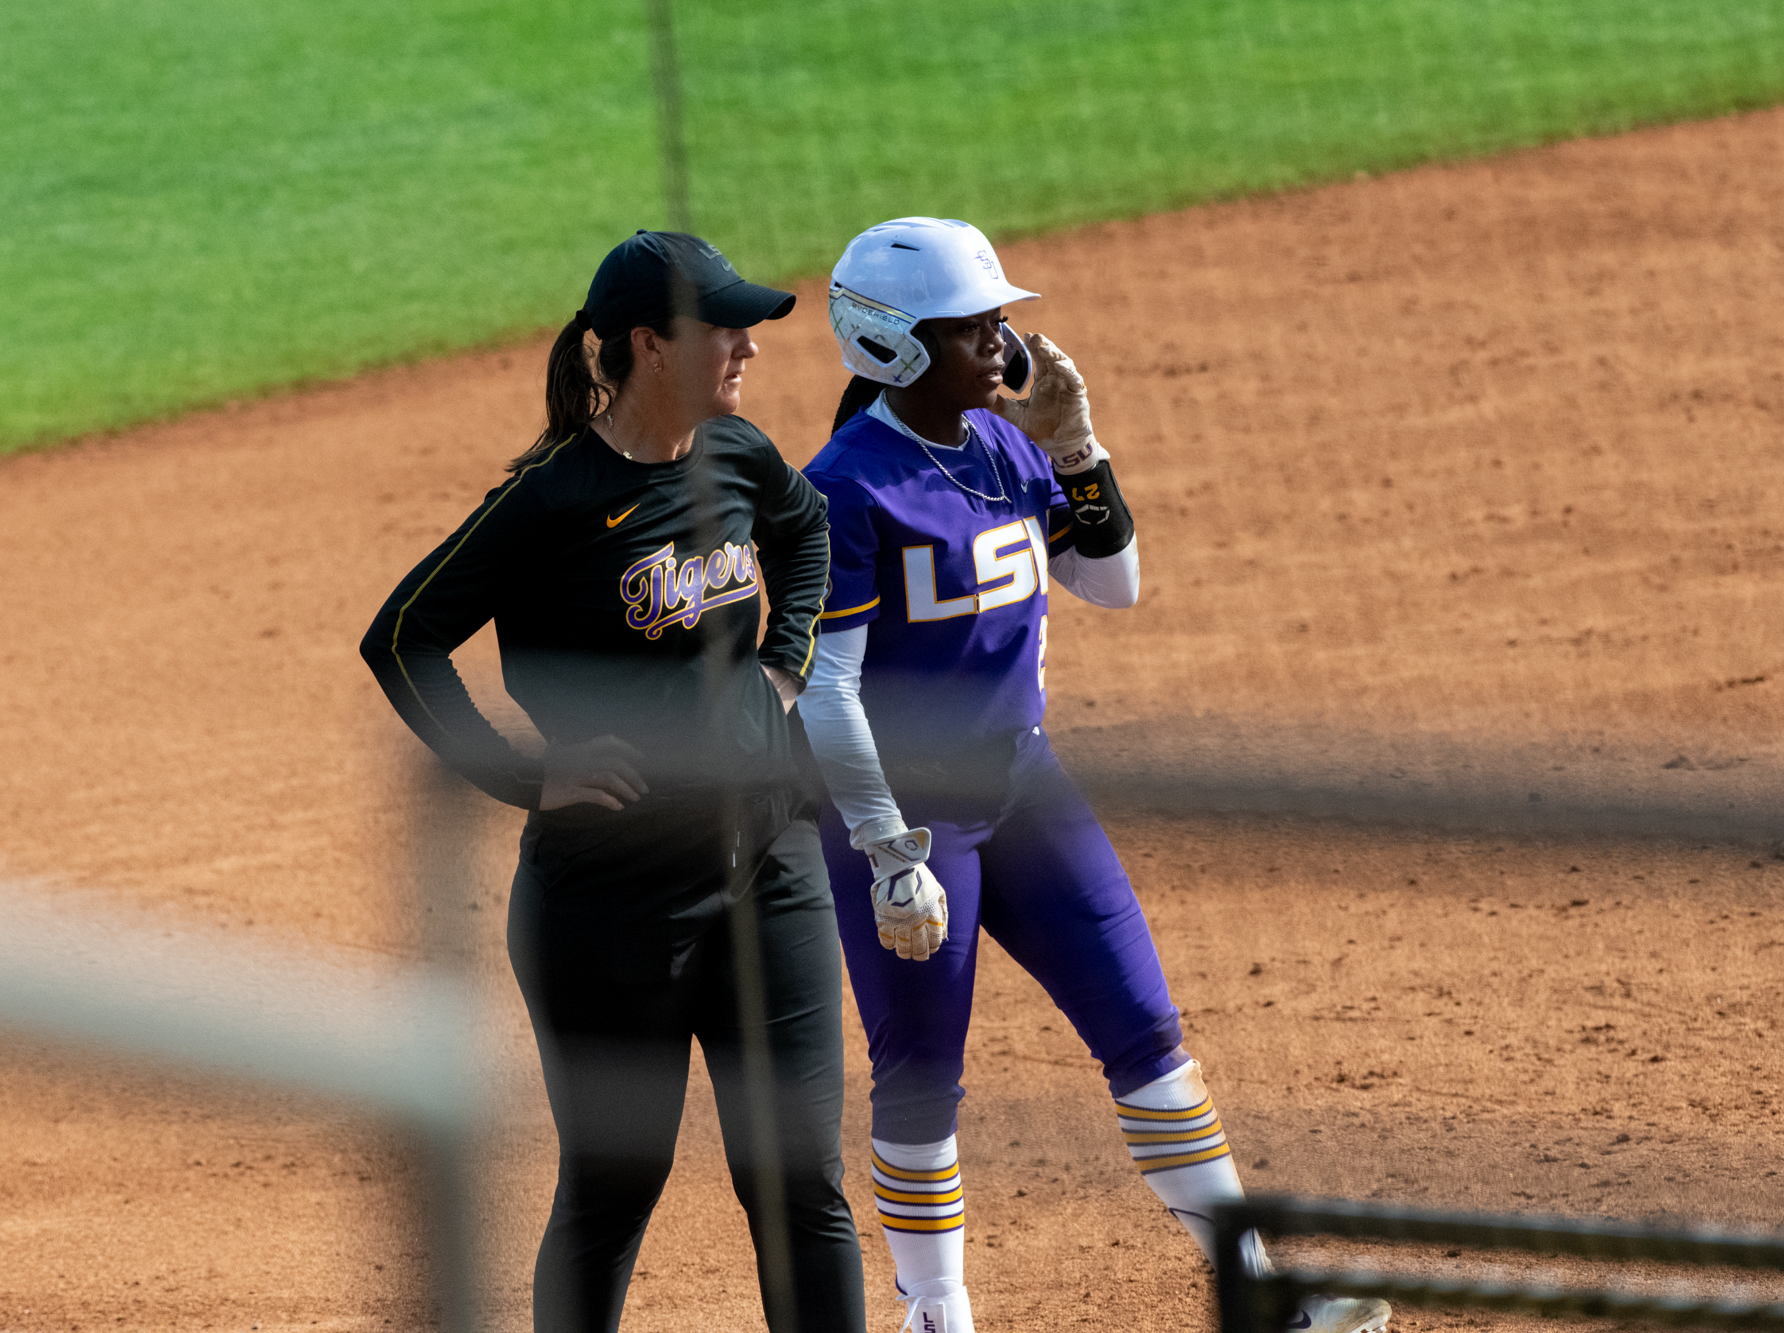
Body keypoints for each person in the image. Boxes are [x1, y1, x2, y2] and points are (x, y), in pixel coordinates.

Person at [795, 217, 1393, 1333]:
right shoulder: (841, 487)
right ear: (894, 346)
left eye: (998, 322)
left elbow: (1109, 585)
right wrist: (883, 848)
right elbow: (825, 693)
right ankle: (937, 1314)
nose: (1003, 344)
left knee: (1146, 1034)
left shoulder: (1004, 446)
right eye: (975, 328)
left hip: (1025, 790)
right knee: (921, 1075)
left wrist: (1074, 447)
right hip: (908, 823)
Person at [360, 230, 863, 1333]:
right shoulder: (549, 500)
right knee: (611, 1189)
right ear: (648, 343)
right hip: (612, 906)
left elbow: (805, 527)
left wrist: (785, 670)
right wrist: (521, 776)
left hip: (771, 869)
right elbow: (401, 636)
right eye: (721, 326)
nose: (746, 346)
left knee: (798, 1184)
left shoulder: (735, 453)